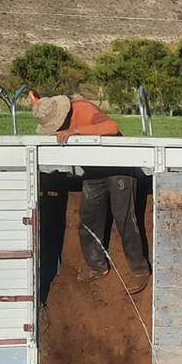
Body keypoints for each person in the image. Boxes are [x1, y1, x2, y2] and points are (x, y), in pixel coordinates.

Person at [33, 94, 150, 282]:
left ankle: (139, 270)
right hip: (93, 170)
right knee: (88, 219)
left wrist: (77, 130)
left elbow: (112, 127)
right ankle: (97, 266)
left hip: (119, 166)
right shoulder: (63, 123)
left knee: (124, 218)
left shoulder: (84, 109)